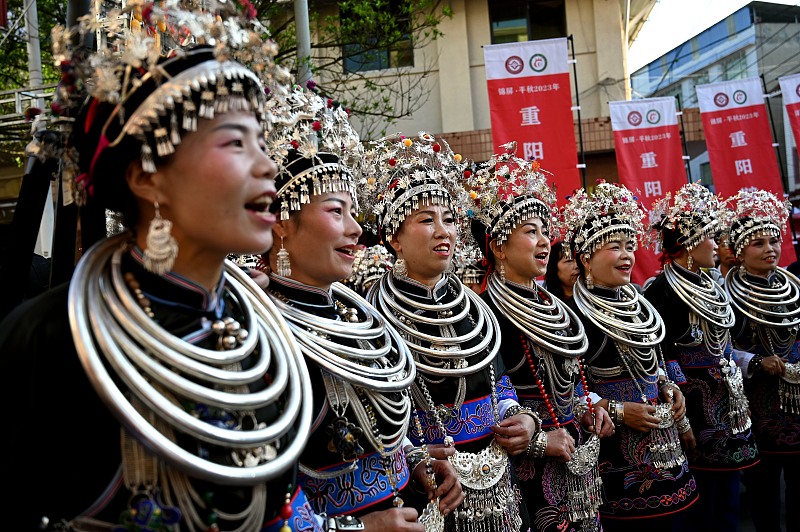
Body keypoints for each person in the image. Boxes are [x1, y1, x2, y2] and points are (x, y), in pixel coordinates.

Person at [0, 6, 320, 531]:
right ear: (146, 179)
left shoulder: (261, 329)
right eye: (236, 142)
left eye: (262, 143)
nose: (267, 166)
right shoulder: (51, 341)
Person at [260, 91, 463, 532]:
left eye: (354, 212)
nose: (355, 228)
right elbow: (260, 495)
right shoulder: (263, 335)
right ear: (281, 225)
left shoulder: (353, 316)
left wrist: (414, 459)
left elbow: (375, 432)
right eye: (336, 211)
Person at [359, 132, 538, 532]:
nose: (444, 231)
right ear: (394, 238)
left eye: (450, 219)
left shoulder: (477, 310)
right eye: (426, 220)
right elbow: (373, 416)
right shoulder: (372, 318)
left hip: (501, 483)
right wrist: (412, 453)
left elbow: (500, 385)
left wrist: (521, 419)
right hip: (433, 487)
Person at [467, 145, 614, 532]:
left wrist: (590, 404)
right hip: (525, 468)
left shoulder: (553, 305)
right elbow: (489, 406)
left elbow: (568, 378)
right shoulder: (483, 312)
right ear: (498, 246)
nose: (546, 242)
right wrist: (536, 439)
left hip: (578, 453)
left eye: (546, 232)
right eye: (530, 232)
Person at [560, 181, 698, 532]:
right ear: (586, 256)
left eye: (629, 246)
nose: (627, 255)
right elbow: (567, 393)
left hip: (665, 449)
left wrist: (670, 388)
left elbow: (659, 361)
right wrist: (620, 411)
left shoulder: (640, 304)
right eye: (614, 247)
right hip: (612, 458)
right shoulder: (571, 316)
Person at [644, 183, 758, 532]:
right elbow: (660, 355)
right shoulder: (660, 290)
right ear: (690, 243)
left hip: (728, 400)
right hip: (691, 407)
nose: (718, 244)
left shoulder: (712, 283)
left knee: (729, 500)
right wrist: (682, 420)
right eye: (711, 236)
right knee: (703, 505)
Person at [725, 189, 800, 532]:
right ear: (739, 252)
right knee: (763, 488)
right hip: (756, 404)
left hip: (797, 397)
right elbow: (721, 349)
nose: (770, 249)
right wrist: (755, 361)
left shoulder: (792, 285)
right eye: (758, 243)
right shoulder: (727, 295)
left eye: (773, 241)